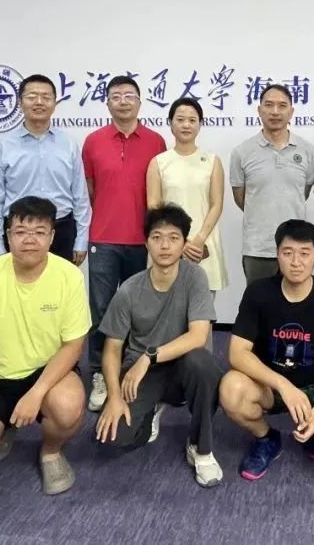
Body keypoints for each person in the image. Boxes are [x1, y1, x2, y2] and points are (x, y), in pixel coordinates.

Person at [0, 196, 90, 496]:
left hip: (44, 373)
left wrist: (36, 393)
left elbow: (73, 346)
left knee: (67, 407)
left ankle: (50, 451)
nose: (30, 239)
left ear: (52, 237)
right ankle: (3, 426)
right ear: (8, 235)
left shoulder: (69, 277)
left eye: (39, 232)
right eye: (21, 231)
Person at [220, 219, 314, 481]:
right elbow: (238, 353)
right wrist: (284, 386)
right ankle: (267, 438)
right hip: (273, 386)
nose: (296, 262)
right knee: (231, 389)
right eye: (287, 253)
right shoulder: (258, 293)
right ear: (277, 254)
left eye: (304, 253)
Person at [95, 205, 224, 487]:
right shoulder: (129, 289)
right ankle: (151, 410)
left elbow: (198, 336)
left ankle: (201, 447)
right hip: (143, 374)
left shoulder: (195, 277)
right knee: (113, 437)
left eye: (173, 238)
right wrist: (114, 396)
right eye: (157, 237)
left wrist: (149, 357)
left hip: (183, 365)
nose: (165, 245)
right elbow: (112, 349)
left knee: (202, 364)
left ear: (184, 243)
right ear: (146, 243)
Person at [83, 75, 166, 413]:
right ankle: (100, 373)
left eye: (129, 95)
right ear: (107, 103)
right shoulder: (93, 141)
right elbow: (91, 190)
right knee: (101, 310)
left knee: (140, 311)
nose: (123, 101)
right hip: (103, 239)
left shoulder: (156, 141)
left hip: (142, 240)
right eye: (115, 96)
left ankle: (133, 369)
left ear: (140, 102)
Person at [0, 74, 91, 265]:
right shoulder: (3, 146)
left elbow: (80, 197)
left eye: (46, 97)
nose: (39, 102)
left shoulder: (68, 145)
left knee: (59, 283)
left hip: (61, 230)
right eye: (32, 97)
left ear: (54, 104)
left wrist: (81, 239)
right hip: (18, 231)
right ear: (20, 103)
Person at [230, 84, 314, 283]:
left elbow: (303, 191)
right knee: (260, 300)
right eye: (269, 105)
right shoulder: (242, 152)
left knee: (298, 300)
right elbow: (241, 198)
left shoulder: (306, 150)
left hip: (296, 247)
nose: (275, 112)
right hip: (258, 248)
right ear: (259, 110)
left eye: (282, 106)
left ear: (291, 112)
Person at [147, 97, 228, 294]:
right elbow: (154, 206)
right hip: (167, 243)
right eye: (180, 119)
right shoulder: (158, 162)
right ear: (170, 123)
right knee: (165, 303)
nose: (186, 125)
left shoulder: (212, 161)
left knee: (203, 303)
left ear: (200, 124)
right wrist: (179, 241)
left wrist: (199, 239)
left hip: (203, 245)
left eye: (192, 120)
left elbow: (216, 204)